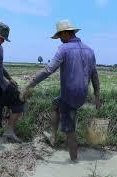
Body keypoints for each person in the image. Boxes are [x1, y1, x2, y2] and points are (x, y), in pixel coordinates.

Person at [20, 19, 101, 161]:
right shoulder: (90, 50)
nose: (60, 40)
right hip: (82, 95)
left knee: (70, 130)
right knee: (55, 104)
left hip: (69, 96)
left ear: (65, 33)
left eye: (60, 37)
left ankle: (74, 162)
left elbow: (48, 70)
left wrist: (29, 85)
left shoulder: (63, 49)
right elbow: (94, 75)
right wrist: (97, 96)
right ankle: (53, 136)